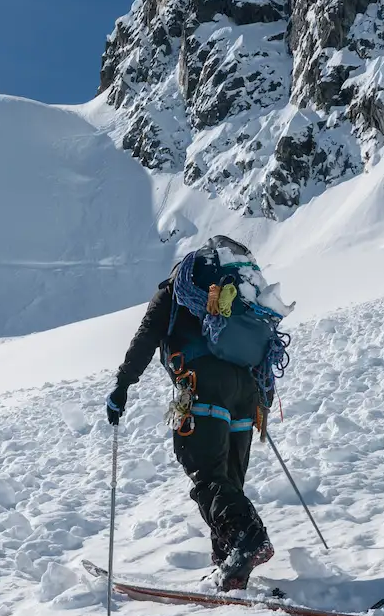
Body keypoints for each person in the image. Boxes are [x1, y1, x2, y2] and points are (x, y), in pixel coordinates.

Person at [105, 236, 278, 591]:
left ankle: (247, 539)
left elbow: (146, 337)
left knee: (208, 475)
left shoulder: (173, 290)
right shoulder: (238, 294)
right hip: (246, 392)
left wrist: (123, 385)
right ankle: (229, 562)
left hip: (203, 387)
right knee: (229, 481)